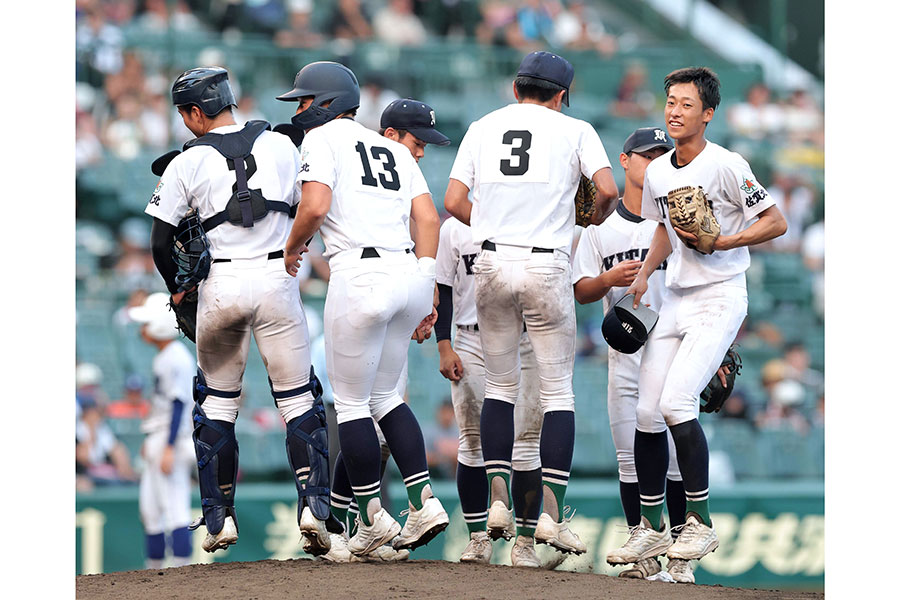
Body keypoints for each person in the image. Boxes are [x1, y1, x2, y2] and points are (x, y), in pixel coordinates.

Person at [604, 66, 787, 582]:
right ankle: (653, 528)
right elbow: (663, 228)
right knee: (645, 409)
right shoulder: (660, 170)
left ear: (707, 114)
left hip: (721, 296)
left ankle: (699, 522)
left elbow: (776, 221)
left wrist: (725, 241)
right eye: (670, 101)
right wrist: (643, 276)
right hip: (677, 296)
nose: (674, 110)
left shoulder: (728, 165)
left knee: (675, 403)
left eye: (686, 103)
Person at [145, 67, 333, 556]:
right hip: (278, 276)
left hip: (220, 284)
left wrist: (178, 291)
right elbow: (312, 205)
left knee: (217, 406)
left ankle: (219, 519)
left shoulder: (185, 163)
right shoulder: (280, 145)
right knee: (298, 400)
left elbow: (161, 241)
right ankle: (314, 506)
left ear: (192, 112)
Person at [443, 50, 618, 556]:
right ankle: (548, 514)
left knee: (499, 387)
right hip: (546, 263)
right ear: (561, 94)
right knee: (558, 392)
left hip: (493, 262)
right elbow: (607, 188)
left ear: (516, 88)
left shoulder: (483, 125)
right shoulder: (575, 128)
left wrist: (498, 227)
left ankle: (497, 500)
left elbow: (454, 202)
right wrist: (588, 219)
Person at [279, 61, 449, 559]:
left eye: (305, 100)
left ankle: (372, 516)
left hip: (360, 273)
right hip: (408, 272)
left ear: (329, 102)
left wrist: (293, 249)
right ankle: (423, 501)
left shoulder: (322, 140)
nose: (301, 109)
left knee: (351, 405)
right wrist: (426, 281)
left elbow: (313, 206)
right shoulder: (395, 148)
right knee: (386, 399)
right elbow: (428, 218)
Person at [572, 126, 690, 582]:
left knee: (677, 461)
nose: (654, 161)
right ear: (624, 161)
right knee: (630, 460)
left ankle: (680, 556)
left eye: (662, 155)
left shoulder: (678, 219)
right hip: (624, 357)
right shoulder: (600, 230)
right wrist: (607, 281)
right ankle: (642, 551)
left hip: (676, 352)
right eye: (646, 155)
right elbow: (582, 291)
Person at [434, 211, 546, 567]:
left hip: (524, 338)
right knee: (471, 440)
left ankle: (525, 542)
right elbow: (444, 288)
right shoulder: (454, 228)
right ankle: (478, 537)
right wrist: (444, 345)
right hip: (469, 338)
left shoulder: (527, 218)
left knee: (527, 443)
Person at [128, 292, 196, 569]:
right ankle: (154, 572)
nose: (142, 330)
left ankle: (180, 569)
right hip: (161, 436)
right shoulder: (165, 355)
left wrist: (167, 446)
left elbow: (179, 404)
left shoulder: (174, 356)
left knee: (174, 506)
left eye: (146, 323)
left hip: (174, 439)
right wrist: (152, 438)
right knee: (151, 509)